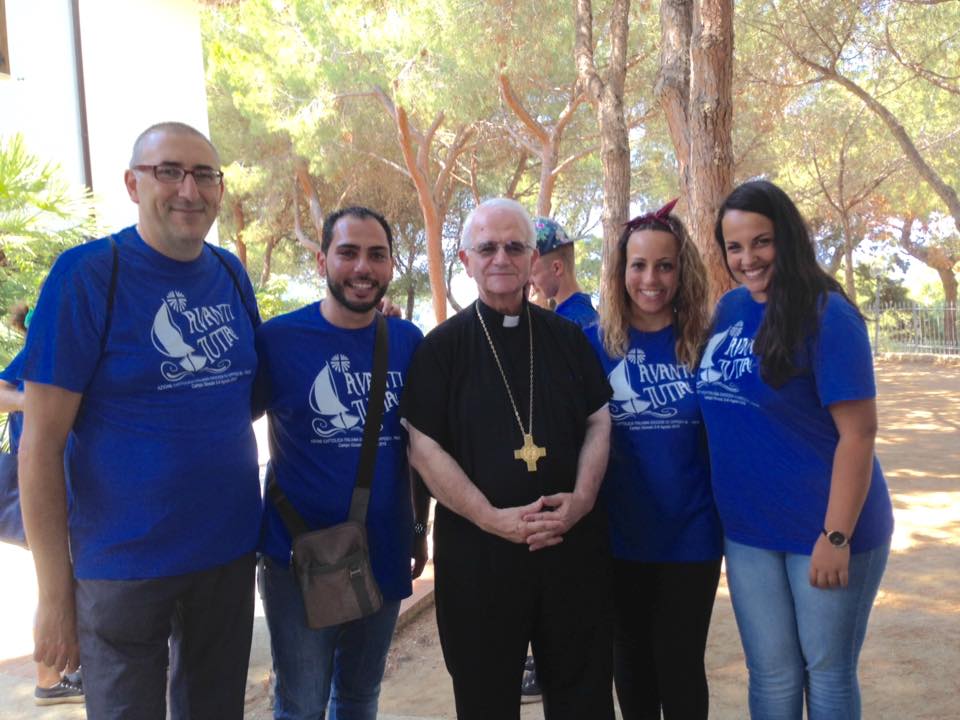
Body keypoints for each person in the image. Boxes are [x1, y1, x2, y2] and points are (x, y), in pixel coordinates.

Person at [18, 121, 262, 719]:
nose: (189, 190)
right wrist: (54, 594)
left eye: (205, 175)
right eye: (169, 172)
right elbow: (40, 445)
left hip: (226, 555)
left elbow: (241, 396)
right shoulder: (87, 276)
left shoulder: (230, 273)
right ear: (132, 183)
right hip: (123, 569)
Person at [401, 198, 615, 720]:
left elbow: (598, 420)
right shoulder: (440, 349)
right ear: (465, 259)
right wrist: (492, 519)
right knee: (485, 700)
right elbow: (423, 447)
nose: (502, 257)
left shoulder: (567, 339)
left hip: (570, 547)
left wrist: (583, 499)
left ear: (533, 256)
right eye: (487, 247)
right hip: (479, 557)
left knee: (583, 699)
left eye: (515, 246)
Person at [699, 180, 893, 719]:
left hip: (824, 531)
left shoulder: (828, 314)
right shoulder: (729, 309)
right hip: (750, 535)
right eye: (734, 247)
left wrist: (836, 536)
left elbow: (859, 434)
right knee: (772, 675)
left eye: (761, 242)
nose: (747, 259)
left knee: (827, 676)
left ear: (787, 236)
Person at [255, 206, 429, 720]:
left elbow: (419, 450)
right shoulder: (278, 340)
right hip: (300, 557)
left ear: (392, 266)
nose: (362, 267)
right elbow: (219, 430)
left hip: (383, 551)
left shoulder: (407, 341)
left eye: (376, 255)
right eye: (348, 252)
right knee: (302, 702)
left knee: (358, 696)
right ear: (321, 260)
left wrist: (419, 530)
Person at [584, 200, 723, 719]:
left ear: (681, 270)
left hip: (692, 536)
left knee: (682, 666)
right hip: (618, 540)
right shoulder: (592, 346)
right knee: (633, 669)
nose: (651, 278)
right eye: (638, 265)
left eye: (664, 265)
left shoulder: (706, 343)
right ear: (621, 272)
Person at [0, 305, 85, 705]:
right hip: (51, 495)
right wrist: (25, 401)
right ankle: (49, 678)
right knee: (55, 587)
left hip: (72, 492)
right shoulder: (34, 359)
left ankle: (63, 671)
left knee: (68, 583)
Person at [529, 217, 598, 328]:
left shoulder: (566, 324)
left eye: (533, 273)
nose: (529, 281)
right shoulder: (589, 314)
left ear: (557, 268)